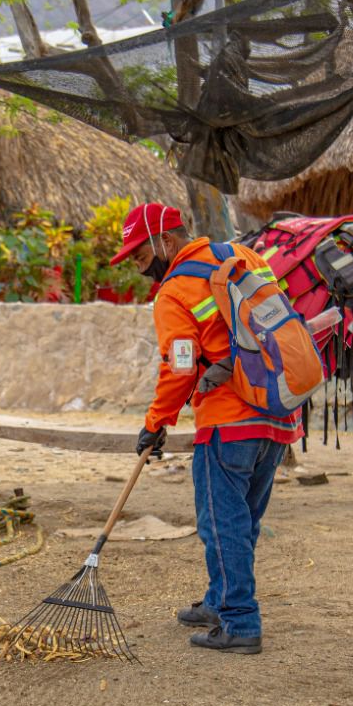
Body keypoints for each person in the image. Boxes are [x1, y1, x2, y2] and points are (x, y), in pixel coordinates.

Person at [113, 203, 301, 655]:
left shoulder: (174, 291)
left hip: (228, 420)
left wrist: (155, 423)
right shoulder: (245, 257)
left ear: (167, 242)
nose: (141, 270)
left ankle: (240, 622)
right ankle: (219, 602)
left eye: (141, 257)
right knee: (242, 520)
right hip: (276, 412)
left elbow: (179, 367)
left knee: (221, 525)